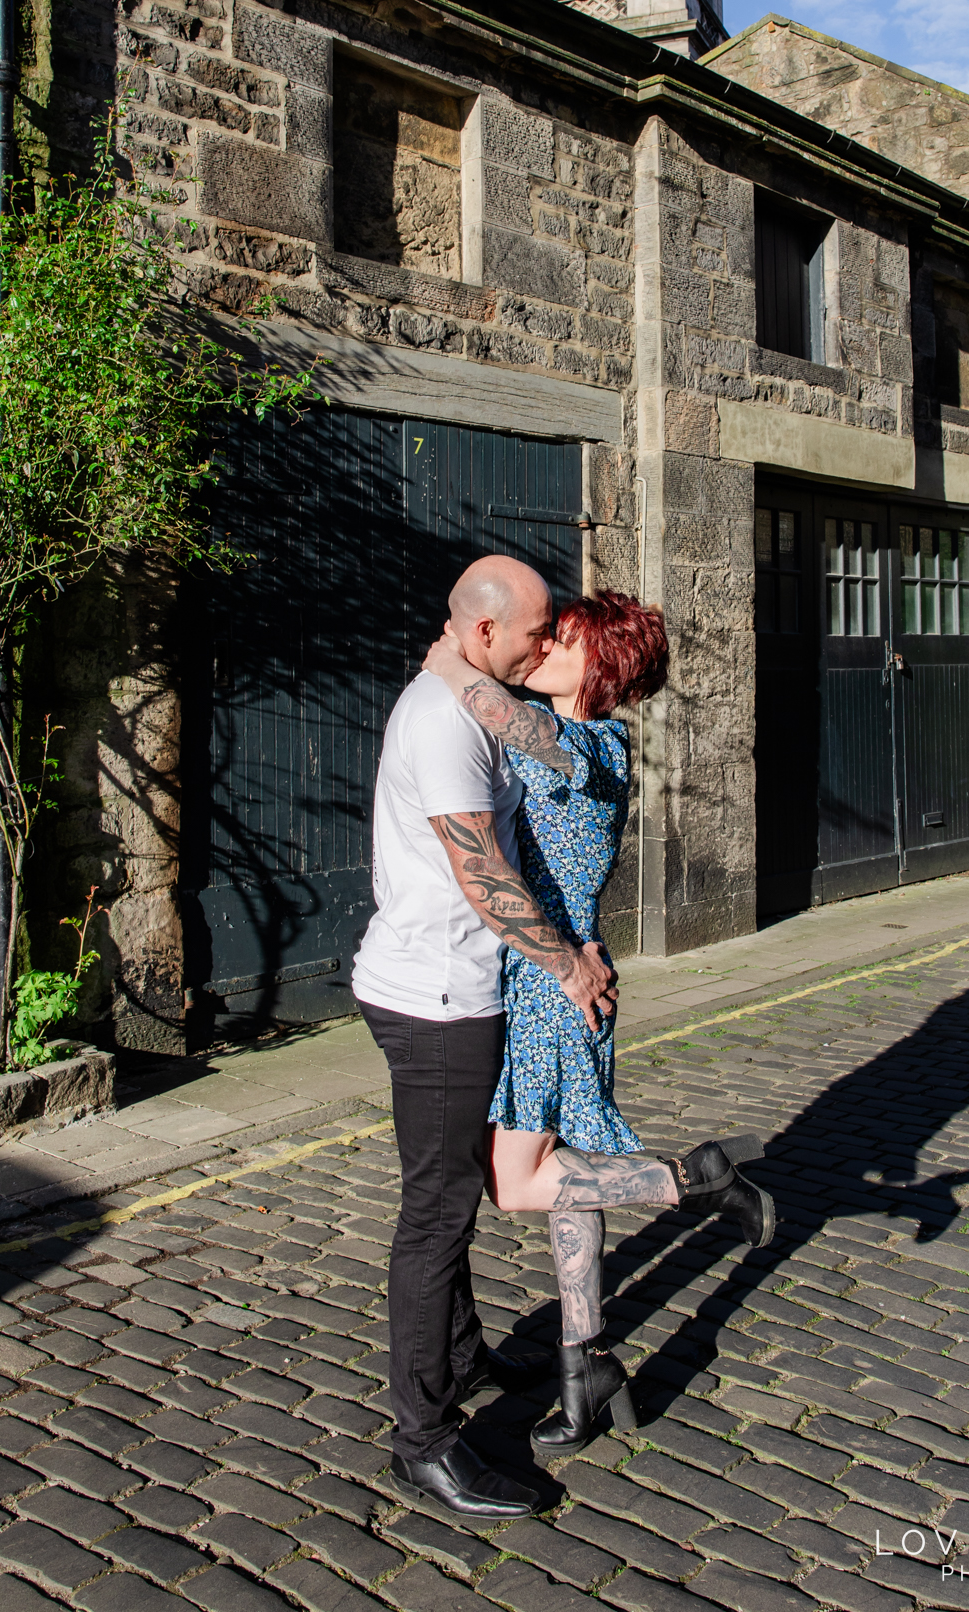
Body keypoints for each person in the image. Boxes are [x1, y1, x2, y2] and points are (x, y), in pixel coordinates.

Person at [423, 588, 774, 1456]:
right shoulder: (574, 741)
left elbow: (512, 724)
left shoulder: (596, 745)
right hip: (552, 972)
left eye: (563, 641)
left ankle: (696, 1182)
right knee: (566, 1175)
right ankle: (587, 1367)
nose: (541, 648)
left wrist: (449, 664)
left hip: (554, 988)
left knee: (515, 1184)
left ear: (603, 665)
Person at [350, 555, 617, 1521]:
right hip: (435, 1000)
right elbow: (481, 872)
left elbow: (554, 740)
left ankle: (463, 1358)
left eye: (558, 635)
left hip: (462, 990)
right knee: (438, 1213)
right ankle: (423, 1441)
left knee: (452, 1181)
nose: (548, 644)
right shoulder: (443, 722)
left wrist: (467, 674)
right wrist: (568, 964)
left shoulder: (472, 696)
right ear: (482, 630)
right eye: (536, 632)